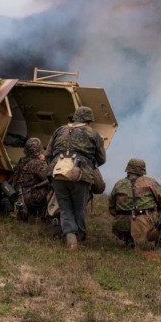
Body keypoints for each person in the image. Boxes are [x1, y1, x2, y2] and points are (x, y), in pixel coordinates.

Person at [46, 106, 107, 251]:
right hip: (80, 174)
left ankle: (70, 235)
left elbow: (48, 154)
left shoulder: (59, 130)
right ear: (89, 121)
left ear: (75, 118)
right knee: (79, 207)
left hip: (58, 173)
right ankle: (79, 235)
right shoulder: (93, 133)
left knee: (65, 207)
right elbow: (102, 159)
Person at [108, 158, 161, 253]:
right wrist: (154, 212)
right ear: (143, 170)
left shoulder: (119, 184)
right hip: (144, 225)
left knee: (123, 217)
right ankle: (158, 246)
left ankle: (128, 238)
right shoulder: (150, 182)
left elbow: (112, 208)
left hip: (120, 225)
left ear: (128, 169)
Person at [6, 137, 50, 221]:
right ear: (39, 149)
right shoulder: (38, 163)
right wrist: (46, 161)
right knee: (52, 186)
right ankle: (43, 215)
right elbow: (48, 178)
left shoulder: (21, 160)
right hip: (29, 196)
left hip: (17, 194)